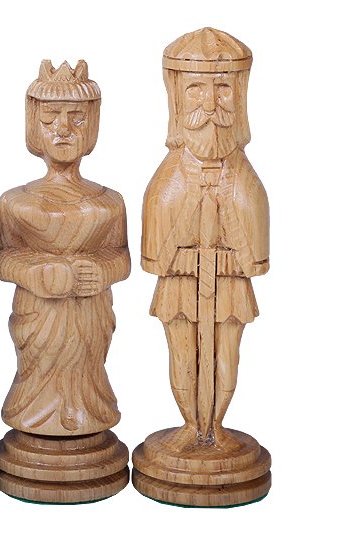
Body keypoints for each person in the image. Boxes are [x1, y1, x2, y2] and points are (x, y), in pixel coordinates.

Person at [141, 27, 270, 450]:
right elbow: (155, 253)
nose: (211, 105)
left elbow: (255, 256)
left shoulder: (245, 179)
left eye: (223, 89)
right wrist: (183, 257)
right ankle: (189, 425)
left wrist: (231, 259)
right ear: (177, 98)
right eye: (196, 89)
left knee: (226, 358)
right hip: (180, 288)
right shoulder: (168, 178)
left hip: (229, 288)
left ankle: (215, 426)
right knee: (182, 356)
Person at [0, 60, 130, 436]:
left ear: (93, 125)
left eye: (77, 117)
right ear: (33, 124)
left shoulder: (109, 202)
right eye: (50, 117)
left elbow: (122, 257)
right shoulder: (16, 201)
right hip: (39, 313)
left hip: (90, 313)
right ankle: (36, 414)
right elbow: (3, 260)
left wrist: (102, 272)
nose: (63, 128)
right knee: (39, 367)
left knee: (88, 367)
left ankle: (88, 412)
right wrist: (35, 274)